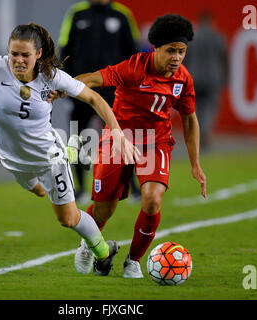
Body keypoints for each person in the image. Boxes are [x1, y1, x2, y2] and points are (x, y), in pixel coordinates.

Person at [0, 23, 140, 276]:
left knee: (67, 219)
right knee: (40, 192)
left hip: (48, 157)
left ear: (39, 54)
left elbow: (94, 98)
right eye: (14, 54)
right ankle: (45, 186)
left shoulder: (51, 76)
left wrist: (118, 133)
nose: (18, 60)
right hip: (12, 159)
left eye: (25, 55)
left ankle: (102, 253)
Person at [54, 14, 207, 277]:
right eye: (171, 50)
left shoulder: (183, 79)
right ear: (156, 48)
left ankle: (133, 260)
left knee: (152, 200)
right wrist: (64, 86)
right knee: (104, 208)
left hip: (155, 142)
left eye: (181, 51)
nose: (177, 57)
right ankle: (88, 243)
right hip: (118, 139)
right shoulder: (134, 68)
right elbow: (93, 78)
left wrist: (196, 164)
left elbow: (189, 119)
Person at [58, 0, 141, 204]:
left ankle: (132, 187)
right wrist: (66, 84)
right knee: (79, 139)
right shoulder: (76, 14)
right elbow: (64, 49)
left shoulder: (122, 15)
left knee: (122, 137)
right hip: (81, 89)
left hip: (114, 92)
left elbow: (133, 54)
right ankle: (79, 189)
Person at [183, 11, 228, 151]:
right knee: (210, 107)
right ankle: (205, 133)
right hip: (212, 78)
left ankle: (197, 133)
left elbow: (185, 58)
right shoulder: (217, 37)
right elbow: (225, 60)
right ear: (211, 21)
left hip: (194, 77)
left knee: (195, 108)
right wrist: (225, 78)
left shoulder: (192, 38)